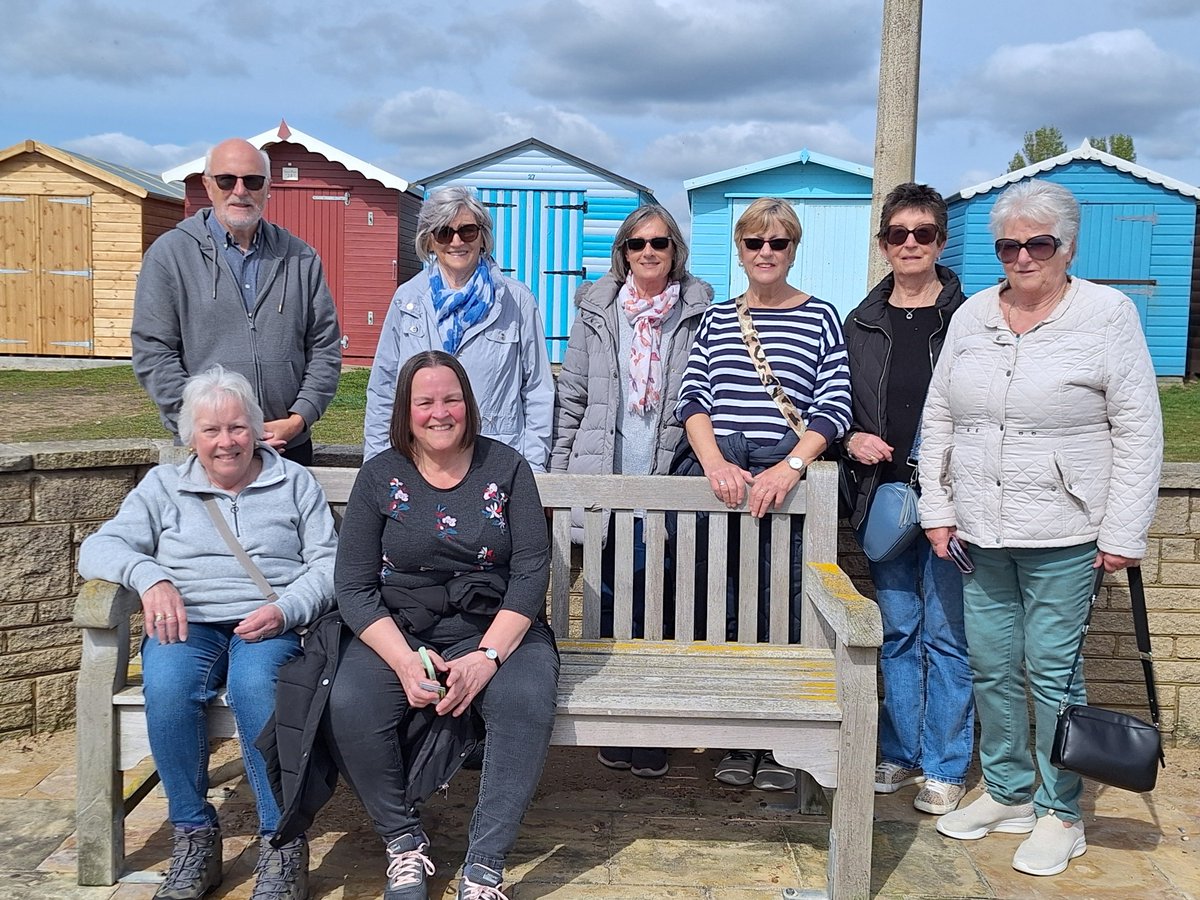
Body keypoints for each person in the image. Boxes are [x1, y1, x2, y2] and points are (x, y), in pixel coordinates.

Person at [920, 179, 1162, 877]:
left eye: (1038, 243)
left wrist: (1123, 531)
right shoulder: (971, 315)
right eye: (1008, 245)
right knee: (992, 667)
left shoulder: (1106, 314)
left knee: (1052, 673)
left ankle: (1062, 812)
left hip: (1065, 527)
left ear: (1067, 246)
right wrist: (938, 509)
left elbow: (1140, 428)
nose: (1023, 257)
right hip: (979, 531)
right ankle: (1006, 790)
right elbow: (940, 417)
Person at [78, 366, 337, 900]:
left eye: (238, 427)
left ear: (257, 427)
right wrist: (151, 579)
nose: (226, 442)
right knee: (168, 688)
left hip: (267, 624)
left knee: (257, 689)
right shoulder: (164, 486)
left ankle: (281, 841)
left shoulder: (294, 483)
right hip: (187, 625)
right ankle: (194, 835)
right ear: (190, 436)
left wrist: (288, 609)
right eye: (212, 431)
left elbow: (329, 566)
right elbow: (98, 549)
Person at [329, 351, 557, 900]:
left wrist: (488, 658)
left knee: (524, 700)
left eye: (451, 399)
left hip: (497, 624)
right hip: (403, 625)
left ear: (468, 405)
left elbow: (530, 572)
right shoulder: (380, 476)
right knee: (350, 701)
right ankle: (402, 843)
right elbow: (354, 587)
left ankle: (484, 867)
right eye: (424, 401)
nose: (440, 412)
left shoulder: (506, 468)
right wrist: (406, 660)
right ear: (406, 411)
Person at [674, 197, 852, 791]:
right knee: (720, 606)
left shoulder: (823, 316)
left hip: (786, 480)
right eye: (755, 243)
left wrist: (791, 468)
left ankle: (781, 742)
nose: (767, 254)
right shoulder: (717, 320)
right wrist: (716, 463)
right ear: (741, 250)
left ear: (793, 249)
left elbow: (835, 406)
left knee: (786, 608)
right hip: (723, 479)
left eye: (779, 243)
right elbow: (693, 400)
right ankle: (734, 735)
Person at [551, 205, 713, 780]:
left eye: (660, 244)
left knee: (662, 604)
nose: (648, 252)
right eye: (637, 243)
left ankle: (652, 726)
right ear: (622, 251)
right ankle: (615, 721)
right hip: (604, 481)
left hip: (667, 478)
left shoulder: (699, 312)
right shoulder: (596, 312)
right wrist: (560, 477)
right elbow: (571, 397)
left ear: (676, 252)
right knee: (608, 604)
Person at [842, 183, 974, 816]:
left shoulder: (971, 317)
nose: (911, 244)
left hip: (953, 500)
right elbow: (831, 401)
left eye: (923, 233)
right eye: (899, 234)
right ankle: (897, 753)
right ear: (884, 243)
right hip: (885, 500)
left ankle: (946, 765)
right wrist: (848, 436)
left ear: (941, 241)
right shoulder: (860, 323)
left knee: (948, 636)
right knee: (897, 631)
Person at [132, 138, 343, 465]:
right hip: (208, 450)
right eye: (227, 180)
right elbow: (153, 350)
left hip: (286, 445)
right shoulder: (170, 255)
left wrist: (299, 418)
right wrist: (201, 426)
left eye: (253, 181)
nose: (240, 191)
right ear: (207, 184)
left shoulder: (301, 257)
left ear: (268, 187)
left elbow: (324, 347)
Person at [363, 187, 554, 470]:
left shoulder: (517, 300)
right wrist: (376, 465)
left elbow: (538, 389)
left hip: (494, 461)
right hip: (420, 462)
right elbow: (384, 387)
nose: (456, 241)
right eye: (443, 232)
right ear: (429, 241)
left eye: (467, 231)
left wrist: (533, 469)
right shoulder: (407, 300)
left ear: (482, 238)